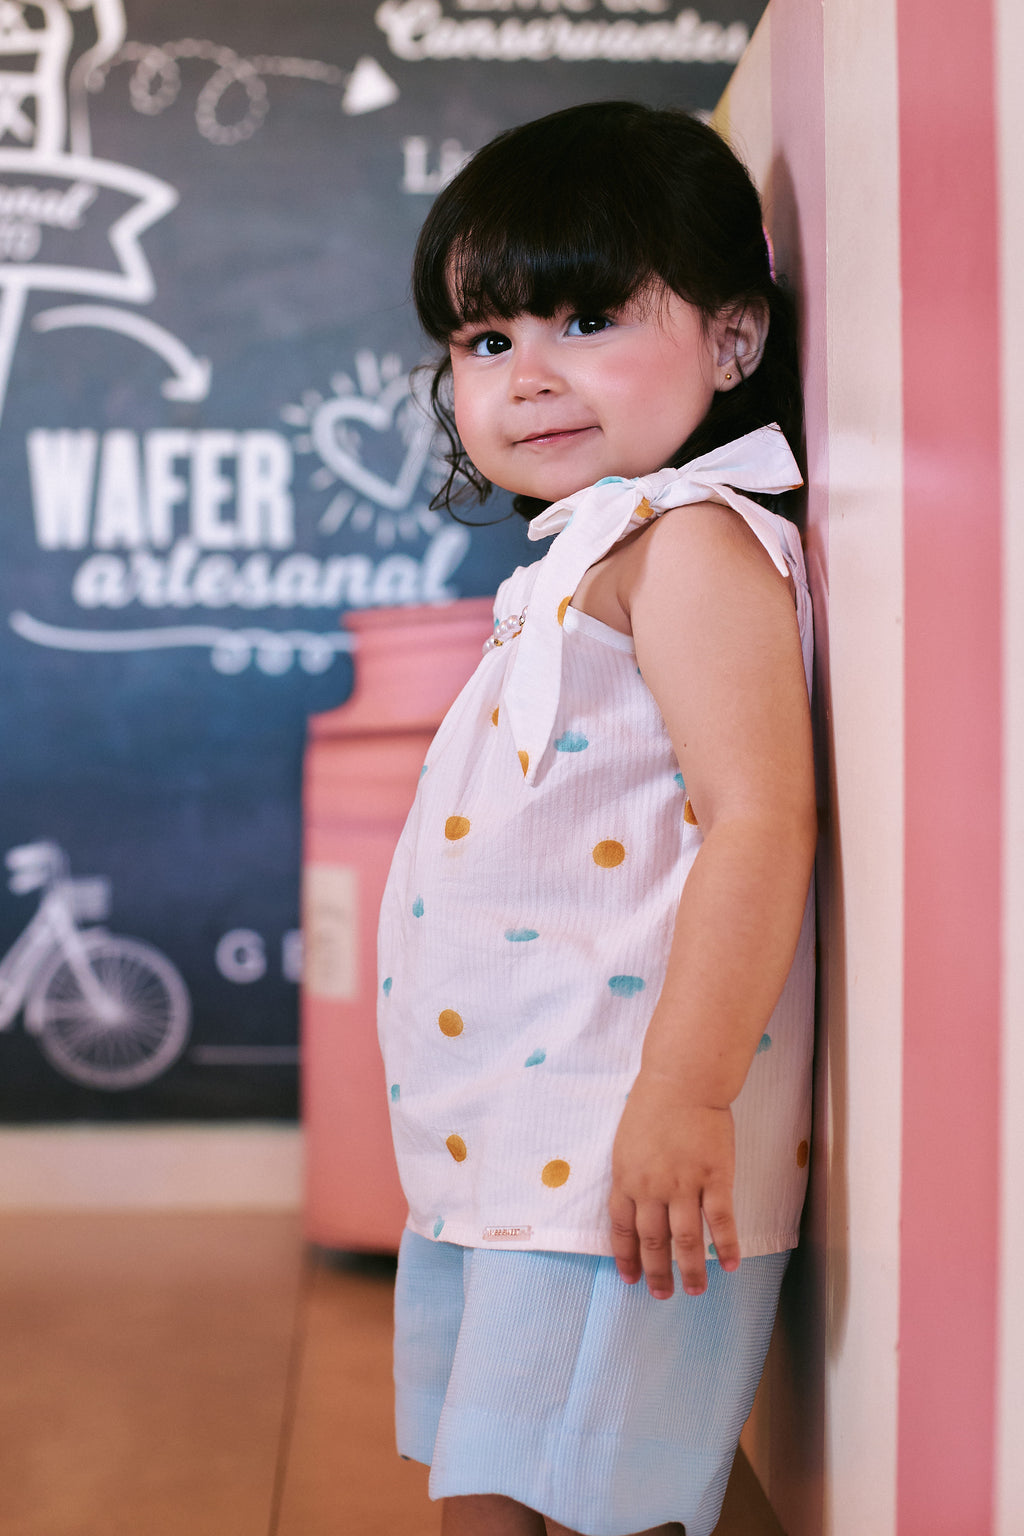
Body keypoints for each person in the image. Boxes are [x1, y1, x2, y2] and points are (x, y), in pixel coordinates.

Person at [377, 100, 816, 1536]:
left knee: (592, 1500)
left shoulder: (690, 545)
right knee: (507, 1481)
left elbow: (759, 820)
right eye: (486, 339)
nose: (529, 376)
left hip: (614, 1137)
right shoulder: (588, 554)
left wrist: (683, 1096)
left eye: (586, 319)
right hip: (524, 1140)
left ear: (733, 339)